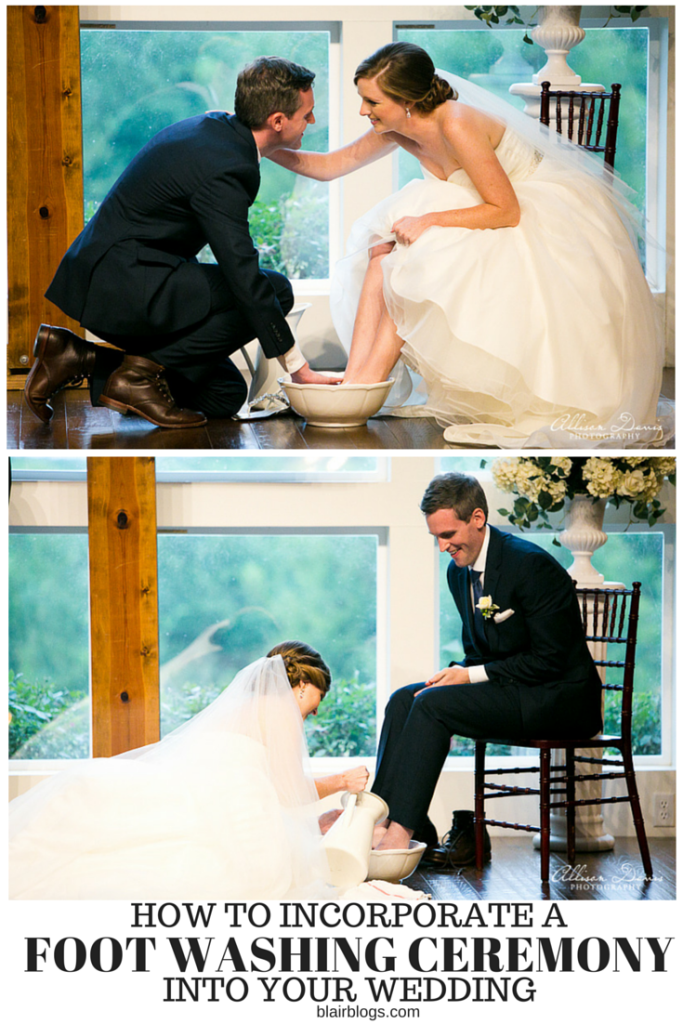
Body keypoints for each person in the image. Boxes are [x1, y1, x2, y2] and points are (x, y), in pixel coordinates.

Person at [272, 42, 669, 448]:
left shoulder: (456, 124)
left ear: (407, 100)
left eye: (371, 101)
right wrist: (262, 145)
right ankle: (359, 381)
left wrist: (428, 220)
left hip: (524, 210)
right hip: (475, 208)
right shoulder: (396, 125)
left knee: (414, 257)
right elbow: (329, 165)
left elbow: (506, 210)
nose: (363, 110)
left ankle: (365, 385)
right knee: (382, 242)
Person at [25, 57, 337, 430]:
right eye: (307, 114)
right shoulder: (227, 167)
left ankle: (78, 357)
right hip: (123, 285)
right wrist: (298, 367)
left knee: (222, 394)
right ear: (278, 121)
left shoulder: (215, 128)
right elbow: (241, 272)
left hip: (129, 276)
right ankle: (137, 378)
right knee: (275, 289)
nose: (312, 123)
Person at [9, 641, 369, 900]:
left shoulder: (243, 704)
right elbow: (285, 788)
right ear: (303, 685)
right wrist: (341, 781)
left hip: (195, 790)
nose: (316, 711)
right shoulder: (280, 712)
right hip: (229, 802)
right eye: (318, 697)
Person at [370, 472, 602, 859]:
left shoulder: (530, 566)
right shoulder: (457, 572)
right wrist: (457, 672)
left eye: (448, 535)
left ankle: (399, 835)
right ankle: (384, 820)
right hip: (511, 686)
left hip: (557, 697)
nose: (443, 546)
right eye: (436, 538)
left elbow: (551, 658)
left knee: (431, 706)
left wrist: (471, 675)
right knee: (405, 699)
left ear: (477, 518)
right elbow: (480, 650)